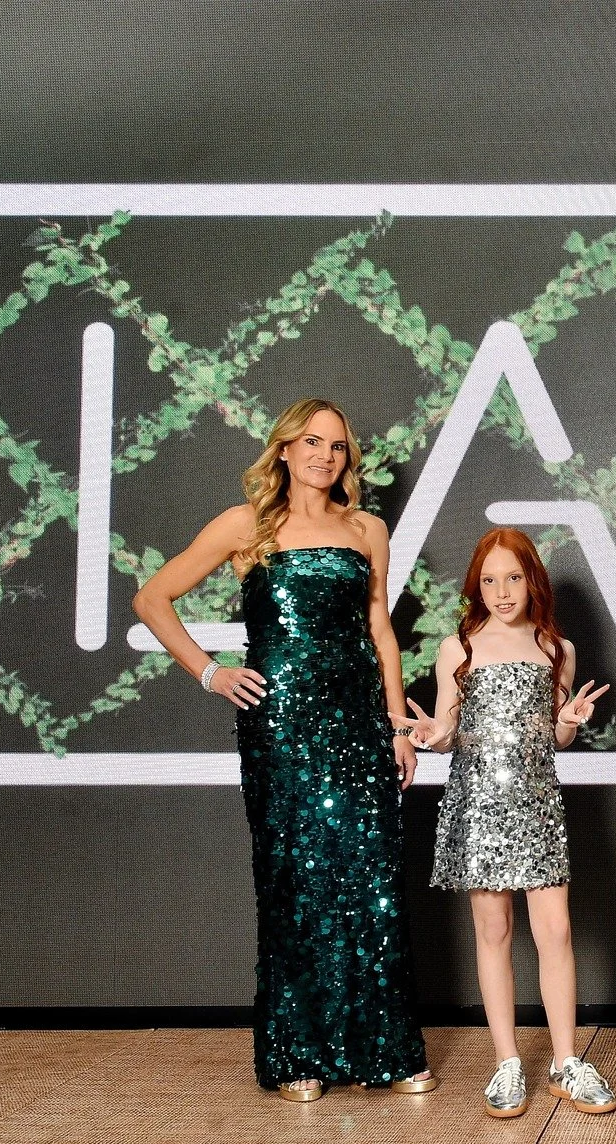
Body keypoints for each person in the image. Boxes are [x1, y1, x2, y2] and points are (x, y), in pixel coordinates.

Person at [131, 398, 434, 1102]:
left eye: (338, 446)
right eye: (313, 442)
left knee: (372, 882)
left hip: (358, 723)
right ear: (286, 450)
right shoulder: (247, 525)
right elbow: (152, 598)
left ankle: (385, 1052)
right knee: (295, 883)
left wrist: (396, 724)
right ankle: (299, 1054)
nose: (326, 455)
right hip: (283, 729)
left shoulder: (366, 529)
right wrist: (210, 672)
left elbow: (380, 631)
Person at [399, 527, 616, 1118]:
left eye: (513, 578)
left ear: (532, 580)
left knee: (556, 932)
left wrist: (569, 720)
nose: (501, 592)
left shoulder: (557, 648)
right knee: (493, 932)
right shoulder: (459, 648)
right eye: (490, 580)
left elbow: (555, 738)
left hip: (537, 804)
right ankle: (507, 1062)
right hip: (479, 806)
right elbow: (449, 732)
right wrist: (432, 734)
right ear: (476, 586)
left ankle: (566, 1062)